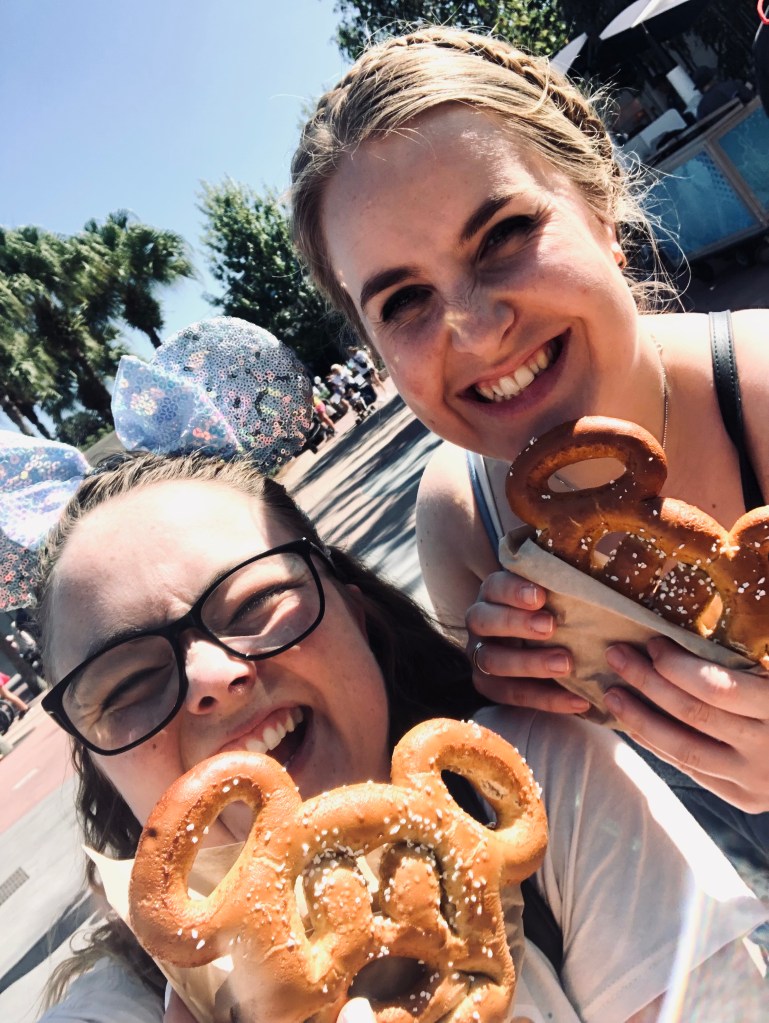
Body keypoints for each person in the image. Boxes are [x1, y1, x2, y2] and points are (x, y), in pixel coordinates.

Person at [9, 447, 764, 1023]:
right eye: (129, 682)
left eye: (258, 600)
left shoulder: (532, 783)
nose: (212, 675)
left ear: (353, 606)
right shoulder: (114, 1004)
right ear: (100, 767)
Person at [289, 26, 769, 889]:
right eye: (403, 300)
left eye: (504, 232)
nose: (473, 328)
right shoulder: (463, 521)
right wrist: (515, 716)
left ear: (602, 209)